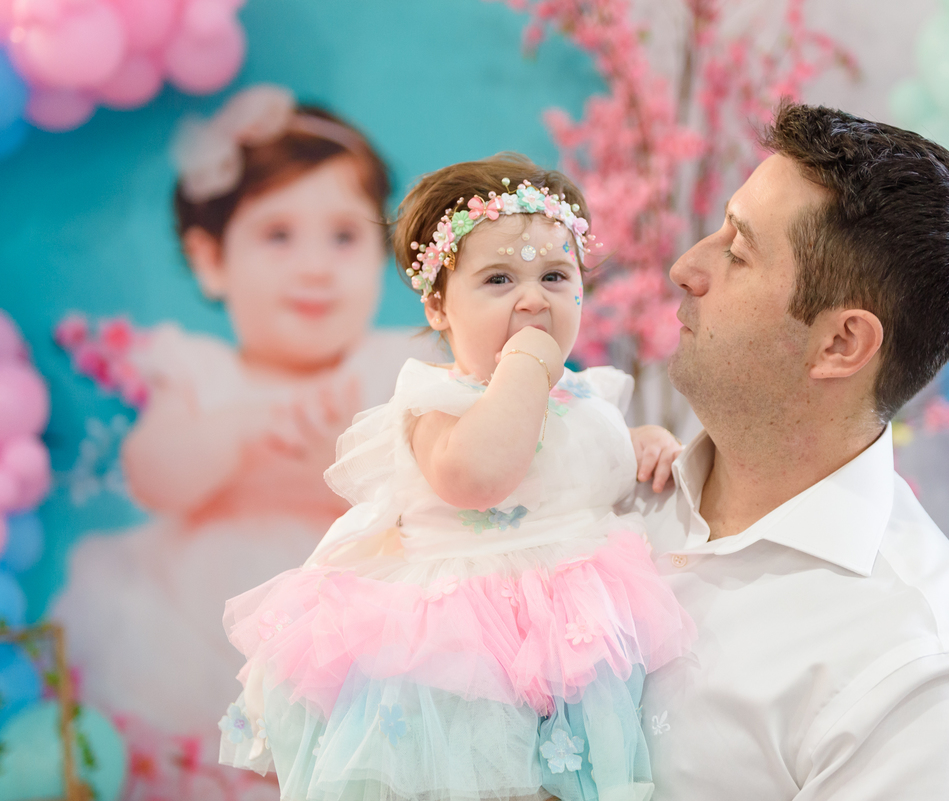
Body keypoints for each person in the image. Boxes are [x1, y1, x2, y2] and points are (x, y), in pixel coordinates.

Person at [218, 153, 696, 801]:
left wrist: (641, 442)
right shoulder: (436, 404)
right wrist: (526, 363)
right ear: (440, 308)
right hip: (466, 658)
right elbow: (477, 476)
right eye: (499, 280)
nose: (533, 298)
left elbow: (579, 459)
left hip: (574, 641)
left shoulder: (590, 394)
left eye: (556, 275)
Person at [51, 84, 437, 798]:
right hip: (207, 618)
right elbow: (152, 476)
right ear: (210, 260)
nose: (316, 265)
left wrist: (345, 457)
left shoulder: (396, 366)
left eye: (345, 236)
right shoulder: (199, 372)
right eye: (278, 235)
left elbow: (441, 489)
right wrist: (239, 433)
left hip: (361, 622)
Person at [626, 103, 949, 799]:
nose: (686, 267)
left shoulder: (922, 664)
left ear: (841, 343)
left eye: (737, 250)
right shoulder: (614, 485)